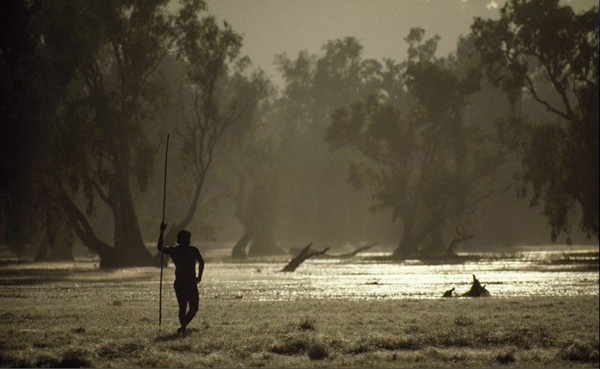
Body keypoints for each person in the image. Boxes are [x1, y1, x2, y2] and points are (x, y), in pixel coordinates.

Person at [157, 222, 204, 335]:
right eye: (185, 239)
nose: (187, 241)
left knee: (194, 308)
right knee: (183, 307)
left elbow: (201, 261)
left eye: (188, 239)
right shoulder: (175, 250)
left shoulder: (193, 250)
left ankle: (183, 326)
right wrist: (162, 231)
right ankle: (183, 328)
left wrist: (199, 276)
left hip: (191, 282)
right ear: (179, 240)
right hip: (181, 283)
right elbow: (160, 248)